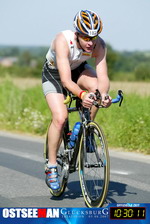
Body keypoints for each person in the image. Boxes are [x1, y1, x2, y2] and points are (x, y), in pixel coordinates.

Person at [42, 9, 112, 191]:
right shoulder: (63, 40)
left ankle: (87, 130)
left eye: (94, 37)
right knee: (60, 117)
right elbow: (65, 80)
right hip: (55, 74)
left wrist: (103, 95)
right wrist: (81, 95)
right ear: (77, 34)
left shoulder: (99, 45)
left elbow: (103, 76)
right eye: (86, 38)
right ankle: (51, 166)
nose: (91, 42)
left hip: (78, 69)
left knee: (97, 90)